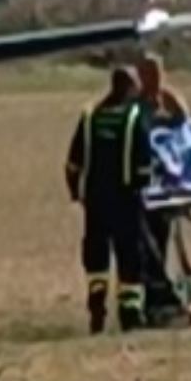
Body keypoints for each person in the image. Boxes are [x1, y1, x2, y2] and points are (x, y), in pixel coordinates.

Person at [65, 67, 155, 333]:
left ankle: (97, 304)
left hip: (95, 199)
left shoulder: (90, 116)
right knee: (130, 255)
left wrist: (75, 193)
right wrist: (144, 193)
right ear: (130, 87)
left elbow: (72, 163)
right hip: (126, 199)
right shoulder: (135, 117)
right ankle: (130, 314)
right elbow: (144, 166)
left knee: (96, 254)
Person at [134, 53, 187, 326]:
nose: (154, 79)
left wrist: (176, 107)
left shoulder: (167, 102)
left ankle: (160, 299)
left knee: (161, 242)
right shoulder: (135, 106)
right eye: (148, 74)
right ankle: (157, 299)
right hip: (142, 187)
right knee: (146, 247)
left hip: (166, 187)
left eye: (158, 73)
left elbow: (185, 129)